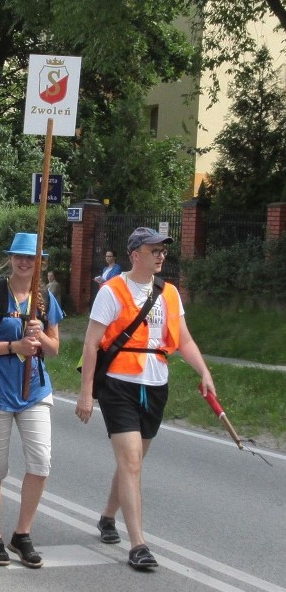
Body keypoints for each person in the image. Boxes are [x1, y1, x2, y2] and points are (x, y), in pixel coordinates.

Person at [76, 227, 215, 570]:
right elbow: (91, 343)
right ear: (135, 254)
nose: (161, 255)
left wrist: (204, 372)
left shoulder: (168, 293)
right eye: (154, 250)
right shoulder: (112, 291)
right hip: (118, 384)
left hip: (155, 383)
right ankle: (138, 544)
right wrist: (86, 393)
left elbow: (184, 340)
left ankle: (108, 516)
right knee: (132, 461)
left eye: (163, 250)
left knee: (133, 461)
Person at [0, 232, 62, 569]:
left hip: (33, 390)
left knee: (41, 462)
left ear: (40, 263)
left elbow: (55, 348)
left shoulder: (45, 298)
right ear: (11, 259)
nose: (25, 262)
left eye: (31, 258)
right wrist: (13, 346)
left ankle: (22, 533)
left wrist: (38, 335)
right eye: (19, 256)